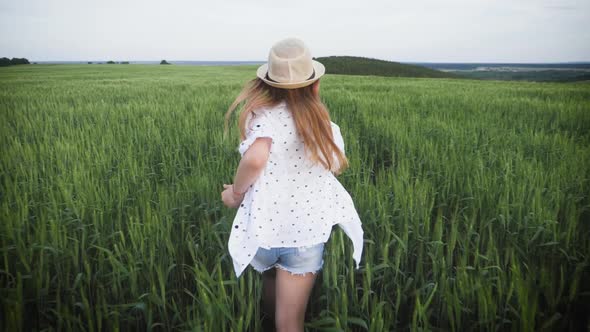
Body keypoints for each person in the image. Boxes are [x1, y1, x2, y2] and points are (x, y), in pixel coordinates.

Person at [221, 37, 364, 332]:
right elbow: (334, 168)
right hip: (304, 236)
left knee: (270, 288)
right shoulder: (324, 126)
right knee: (290, 323)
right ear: (315, 85)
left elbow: (256, 158)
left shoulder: (261, 118)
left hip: (264, 231)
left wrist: (236, 193)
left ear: (268, 85)